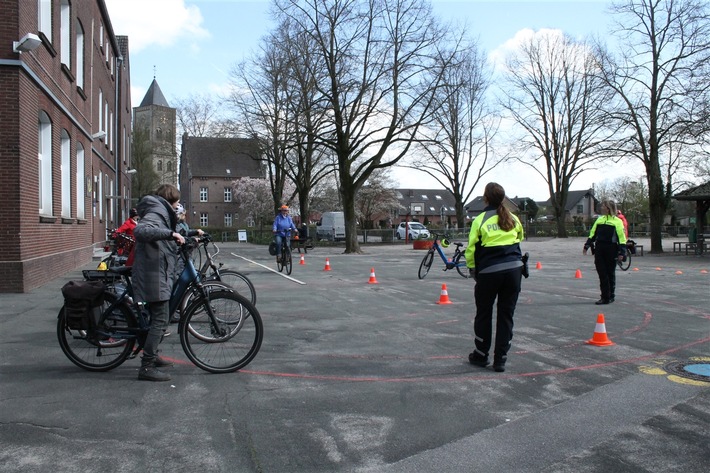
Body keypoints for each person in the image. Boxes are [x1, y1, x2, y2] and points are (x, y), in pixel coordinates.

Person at [465, 182, 525, 373]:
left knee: (484, 312)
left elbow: (471, 248)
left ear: (485, 197)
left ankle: (481, 355)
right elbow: (519, 239)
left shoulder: (480, 220)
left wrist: (473, 269)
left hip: (490, 271)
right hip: (514, 270)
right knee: (506, 314)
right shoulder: (513, 218)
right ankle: (501, 358)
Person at [132, 184, 185, 382]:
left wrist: (189, 236)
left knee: (159, 317)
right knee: (161, 318)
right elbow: (142, 231)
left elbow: (163, 236)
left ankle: (152, 355)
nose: (178, 207)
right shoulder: (157, 211)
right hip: (152, 272)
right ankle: (146, 367)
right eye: (177, 203)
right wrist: (171, 234)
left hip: (156, 270)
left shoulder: (159, 210)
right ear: (170, 200)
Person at [583, 200, 627, 305]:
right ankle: (604, 296)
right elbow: (593, 233)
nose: (601, 208)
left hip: (611, 248)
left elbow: (621, 237)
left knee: (610, 273)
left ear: (608, 208)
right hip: (599, 248)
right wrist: (587, 245)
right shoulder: (599, 220)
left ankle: (610, 296)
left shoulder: (617, 221)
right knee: (602, 273)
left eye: (603, 206)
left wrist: (622, 252)